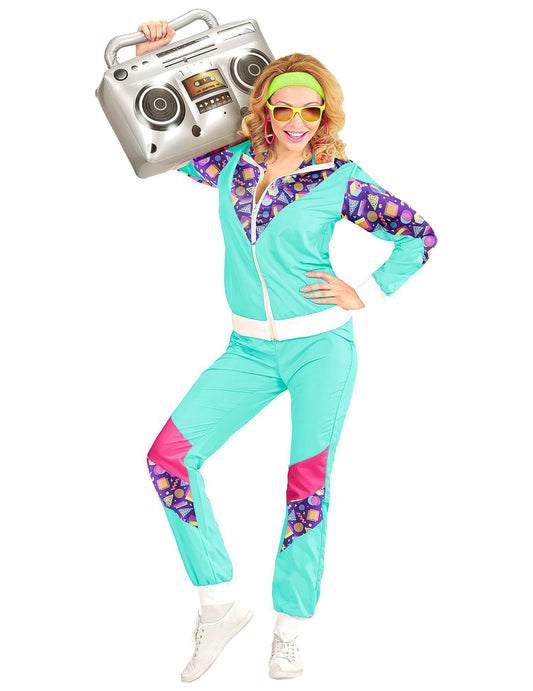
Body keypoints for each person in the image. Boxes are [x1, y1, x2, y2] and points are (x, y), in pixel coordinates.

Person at [137, 18, 438, 683]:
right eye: (284, 108)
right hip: (246, 350)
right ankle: (218, 604)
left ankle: (290, 631)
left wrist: (365, 292)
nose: (297, 121)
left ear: (324, 113)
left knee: (306, 487)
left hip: (319, 350)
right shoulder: (229, 165)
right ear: (264, 110)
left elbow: (418, 235)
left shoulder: (340, 178)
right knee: (167, 460)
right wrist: (156, 57)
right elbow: (159, 130)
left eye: (311, 109)